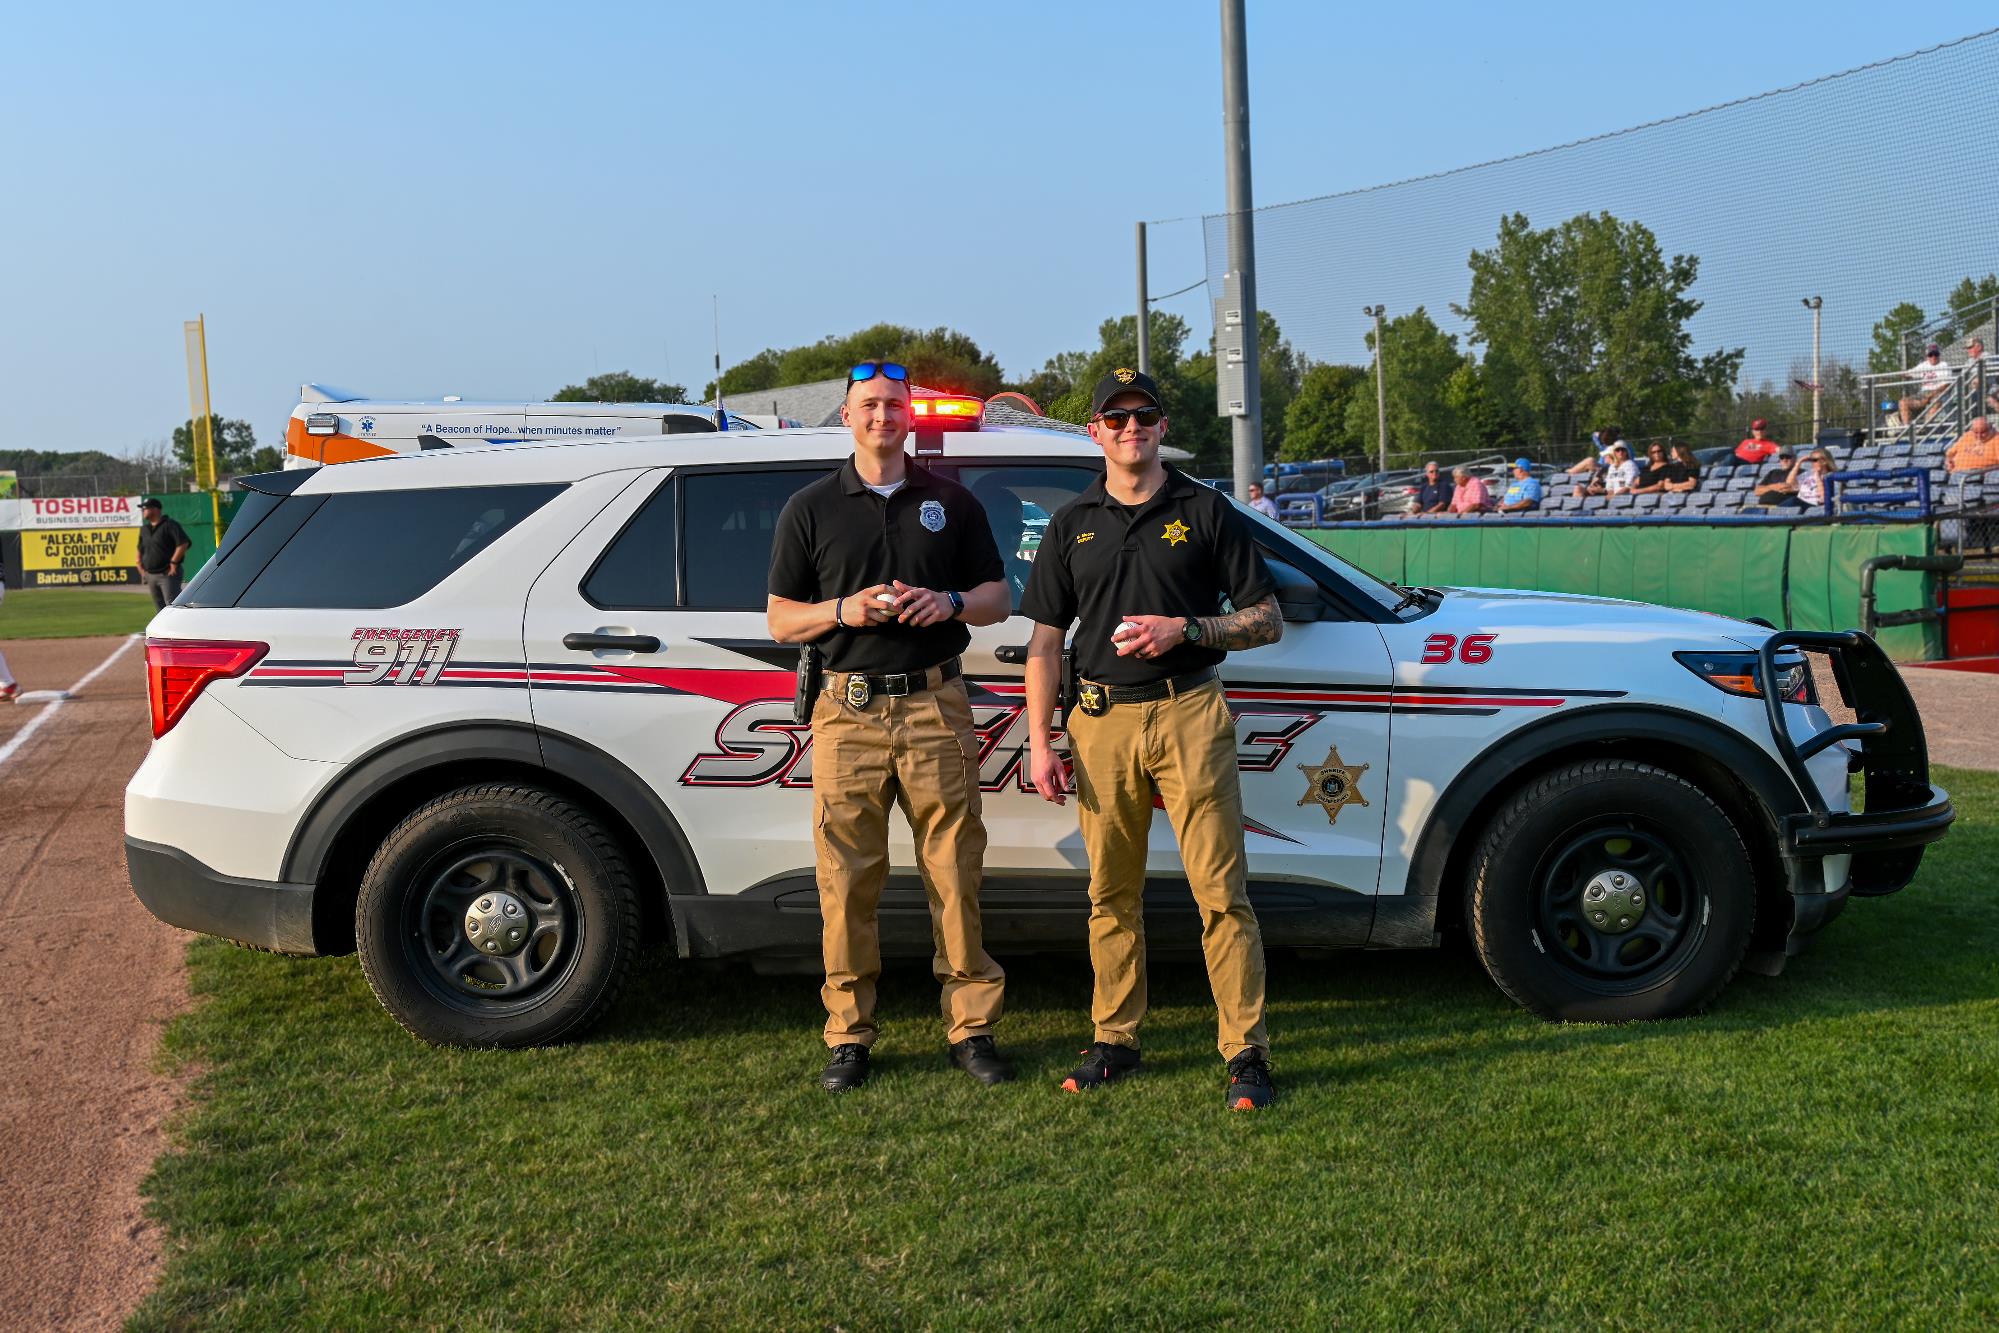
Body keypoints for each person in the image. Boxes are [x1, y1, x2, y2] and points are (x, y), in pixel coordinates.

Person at [1018, 367, 1282, 1112]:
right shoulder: (1073, 522)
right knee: (1110, 893)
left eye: (1144, 416)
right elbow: (1043, 643)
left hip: (1188, 711)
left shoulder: (1205, 510)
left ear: (1163, 426)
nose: (1130, 428)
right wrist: (1040, 741)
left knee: (1220, 894)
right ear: (1095, 430)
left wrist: (1187, 629)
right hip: (1099, 722)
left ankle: (1245, 1052)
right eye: (1116, 417)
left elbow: (1264, 617)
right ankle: (1115, 1039)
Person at [766, 359, 1015, 1094]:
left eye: (893, 404)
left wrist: (950, 602)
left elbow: (998, 595)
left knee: (954, 870)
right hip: (847, 709)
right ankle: (848, 1035)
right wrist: (845, 609)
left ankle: (971, 1027)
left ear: (910, 415)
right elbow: (781, 619)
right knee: (846, 881)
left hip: (935, 703)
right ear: (845, 416)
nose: (882, 416)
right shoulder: (809, 508)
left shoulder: (951, 502)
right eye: (868, 405)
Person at [135, 498, 191, 610]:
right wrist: (139, 565)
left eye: (145, 508)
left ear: (155, 509)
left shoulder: (169, 525)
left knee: (172, 607)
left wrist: (174, 562)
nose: (143, 511)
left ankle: (178, 627)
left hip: (167, 574)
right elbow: (140, 548)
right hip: (150, 575)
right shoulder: (144, 529)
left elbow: (183, 543)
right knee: (159, 608)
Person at [1899, 344, 1952, 426]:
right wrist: (1894, 375)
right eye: (1930, 355)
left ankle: (1925, 428)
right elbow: (1909, 373)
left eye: (1936, 354)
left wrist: (1929, 395)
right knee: (1903, 402)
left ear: (1939, 355)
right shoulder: (1924, 365)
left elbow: (1946, 385)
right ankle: (1907, 429)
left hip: (1938, 393)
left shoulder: (1944, 365)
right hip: (1923, 394)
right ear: (1927, 356)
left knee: (1936, 402)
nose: (1933, 357)